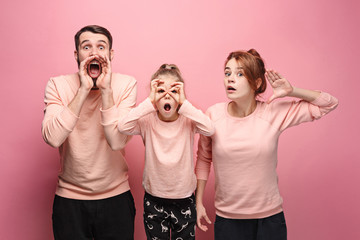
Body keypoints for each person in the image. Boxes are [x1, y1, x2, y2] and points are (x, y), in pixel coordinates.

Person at [195, 49, 338, 240]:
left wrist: (291, 91)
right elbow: (204, 159)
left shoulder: (273, 112)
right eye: (227, 73)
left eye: (239, 74)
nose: (230, 79)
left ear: (257, 83)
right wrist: (198, 203)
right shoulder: (213, 115)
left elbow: (329, 103)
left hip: (269, 221)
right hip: (228, 220)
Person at [41, 25, 137, 240]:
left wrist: (106, 90)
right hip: (69, 200)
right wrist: (83, 90)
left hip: (116, 197)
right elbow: (53, 137)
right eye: (86, 47)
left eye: (101, 47)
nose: (94, 53)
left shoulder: (126, 84)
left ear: (110, 54)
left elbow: (117, 141)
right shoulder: (57, 85)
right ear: (77, 54)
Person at [118, 64, 214, 240]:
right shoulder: (147, 121)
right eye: (161, 90)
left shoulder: (188, 120)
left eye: (174, 91)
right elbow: (122, 126)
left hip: (185, 199)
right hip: (154, 200)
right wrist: (150, 101)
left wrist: (184, 102)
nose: (167, 95)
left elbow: (209, 129)